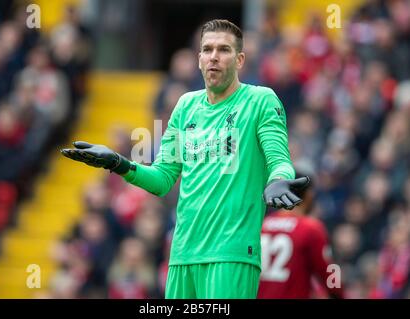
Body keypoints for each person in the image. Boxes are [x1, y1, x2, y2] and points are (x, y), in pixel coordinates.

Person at [61, 19, 309, 299]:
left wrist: (279, 179)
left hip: (231, 253)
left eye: (224, 50)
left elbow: (279, 158)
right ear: (199, 59)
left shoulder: (260, 100)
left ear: (240, 60)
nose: (214, 56)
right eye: (208, 49)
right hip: (181, 255)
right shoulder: (186, 106)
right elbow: (163, 179)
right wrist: (118, 163)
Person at [258, 169, 344, 299]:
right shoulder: (310, 228)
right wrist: (340, 294)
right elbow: (330, 275)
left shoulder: (263, 225)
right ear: (309, 194)